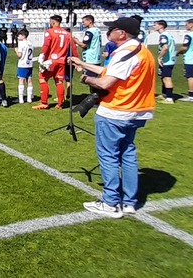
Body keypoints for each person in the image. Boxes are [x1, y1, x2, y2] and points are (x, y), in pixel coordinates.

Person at [68, 17, 156, 218]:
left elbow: (105, 83)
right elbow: (112, 72)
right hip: (137, 110)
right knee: (127, 154)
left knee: (108, 156)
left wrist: (86, 78)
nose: (109, 32)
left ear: (122, 33)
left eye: (112, 29)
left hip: (117, 110)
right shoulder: (142, 51)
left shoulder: (125, 53)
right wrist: (83, 63)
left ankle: (110, 202)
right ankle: (130, 202)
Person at [33, 15, 74, 110]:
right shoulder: (67, 33)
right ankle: (60, 104)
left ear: (53, 22)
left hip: (51, 61)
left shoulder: (49, 32)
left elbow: (46, 45)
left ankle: (44, 103)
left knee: (43, 79)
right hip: (61, 61)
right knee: (59, 82)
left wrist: (42, 55)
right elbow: (73, 47)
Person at [152, 20, 177, 103]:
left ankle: (169, 98)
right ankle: (165, 94)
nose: (153, 26)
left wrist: (159, 57)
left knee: (167, 78)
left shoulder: (163, 36)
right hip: (169, 60)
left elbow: (165, 47)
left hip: (167, 61)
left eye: (155, 25)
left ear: (161, 26)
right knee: (163, 77)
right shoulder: (168, 35)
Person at [77, 15, 104, 91]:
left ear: (90, 21)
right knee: (94, 78)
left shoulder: (90, 31)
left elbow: (84, 45)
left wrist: (75, 40)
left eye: (84, 21)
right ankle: (95, 94)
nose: (83, 23)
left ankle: (95, 95)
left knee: (88, 79)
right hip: (96, 57)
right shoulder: (97, 30)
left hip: (91, 58)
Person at [15, 29, 34, 102]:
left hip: (23, 64)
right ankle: (29, 98)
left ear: (23, 36)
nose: (18, 37)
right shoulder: (30, 43)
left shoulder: (21, 43)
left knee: (21, 80)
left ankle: (21, 99)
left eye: (19, 35)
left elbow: (19, 55)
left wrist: (16, 51)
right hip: (30, 64)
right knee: (29, 80)